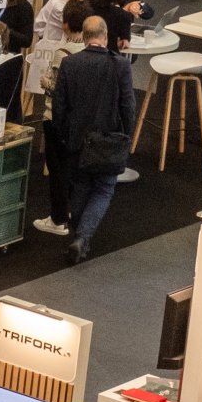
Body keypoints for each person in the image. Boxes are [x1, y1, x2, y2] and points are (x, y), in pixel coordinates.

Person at [52, 16, 137, 263]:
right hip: (108, 140)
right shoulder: (120, 65)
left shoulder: (69, 63)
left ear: (84, 36)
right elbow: (128, 106)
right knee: (103, 189)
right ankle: (82, 237)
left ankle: (78, 237)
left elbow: (60, 105)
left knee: (80, 187)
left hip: (77, 140)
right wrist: (126, 137)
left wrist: (63, 134)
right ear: (105, 35)